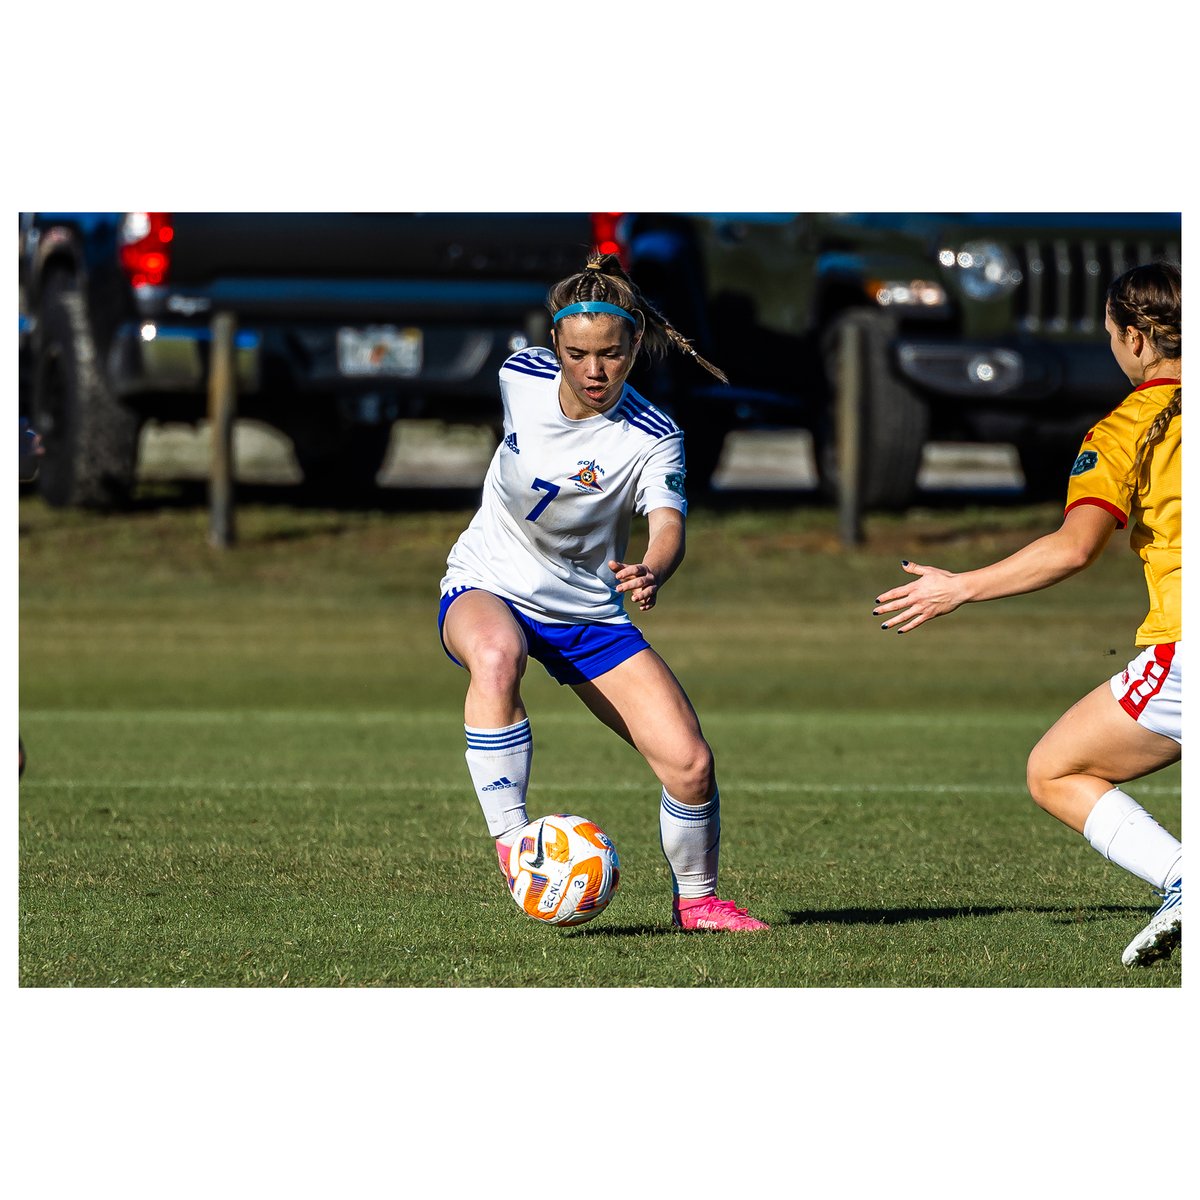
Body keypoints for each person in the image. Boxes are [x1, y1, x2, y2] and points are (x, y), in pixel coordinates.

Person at [437, 252, 768, 931]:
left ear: (635, 346)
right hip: (487, 581)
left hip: (586, 613)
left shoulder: (654, 437)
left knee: (690, 764)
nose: (594, 371)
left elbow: (668, 524)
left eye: (611, 355)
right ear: (554, 344)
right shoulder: (518, 374)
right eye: (579, 353)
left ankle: (698, 904)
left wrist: (654, 567)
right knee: (497, 655)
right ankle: (514, 847)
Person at [873, 261, 1181, 967]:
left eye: (1109, 333)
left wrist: (960, 587)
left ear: (1135, 338)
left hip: (1184, 649)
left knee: (1054, 770)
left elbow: (1074, 550)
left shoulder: (1127, 427)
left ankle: (1182, 879)